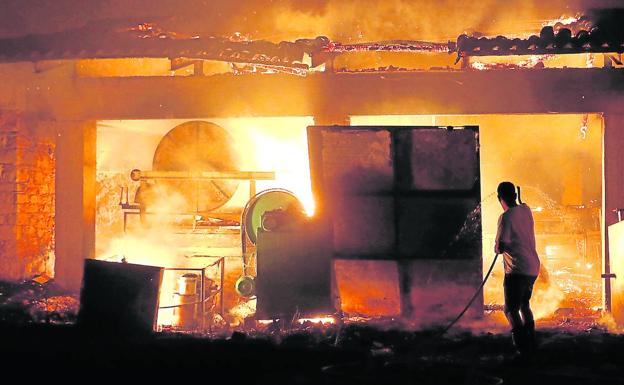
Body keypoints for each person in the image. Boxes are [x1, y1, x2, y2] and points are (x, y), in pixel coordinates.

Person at [494, 181, 541, 356]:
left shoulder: (505, 217)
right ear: (514, 195)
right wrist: (519, 199)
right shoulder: (526, 210)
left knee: (510, 309)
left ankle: (522, 349)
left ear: (500, 198)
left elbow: (502, 246)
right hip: (532, 267)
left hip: (517, 269)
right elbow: (522, 203)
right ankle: (531, 341)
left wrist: (496, 246)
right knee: (524, 304)